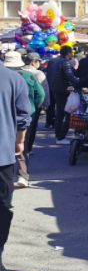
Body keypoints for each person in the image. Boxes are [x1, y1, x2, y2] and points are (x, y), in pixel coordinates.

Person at [0, 55, 31, 271]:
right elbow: (23, 117)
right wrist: (19, 142)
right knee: (2, 207)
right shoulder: (13, 78)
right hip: (2, 155)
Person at [4, 51, 45, 188]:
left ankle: (6, 175)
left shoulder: (3, 76)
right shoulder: (29, 76)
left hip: (4, 116)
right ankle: (22, 175)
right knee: (22, 145)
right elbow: (40, 94)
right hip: (26, 115)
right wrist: (34, 106)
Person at [47, 45, 82, 144]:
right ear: (68, 53)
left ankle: (58, 136)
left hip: (56, 90)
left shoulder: (56, 61)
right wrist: (80, 84)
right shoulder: (65, 63)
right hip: (63, 91)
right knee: (69, 114)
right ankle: (61, 137)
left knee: (59, 114)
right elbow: (70, 76)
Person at [22, 52, 50, 153]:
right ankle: (28, 148)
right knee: (32, 126)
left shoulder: (19, 71)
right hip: (34, 104)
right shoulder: (38, 73)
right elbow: (44, 90)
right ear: (33, 62)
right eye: (38, 61)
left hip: (19, 103)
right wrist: (45, 103)